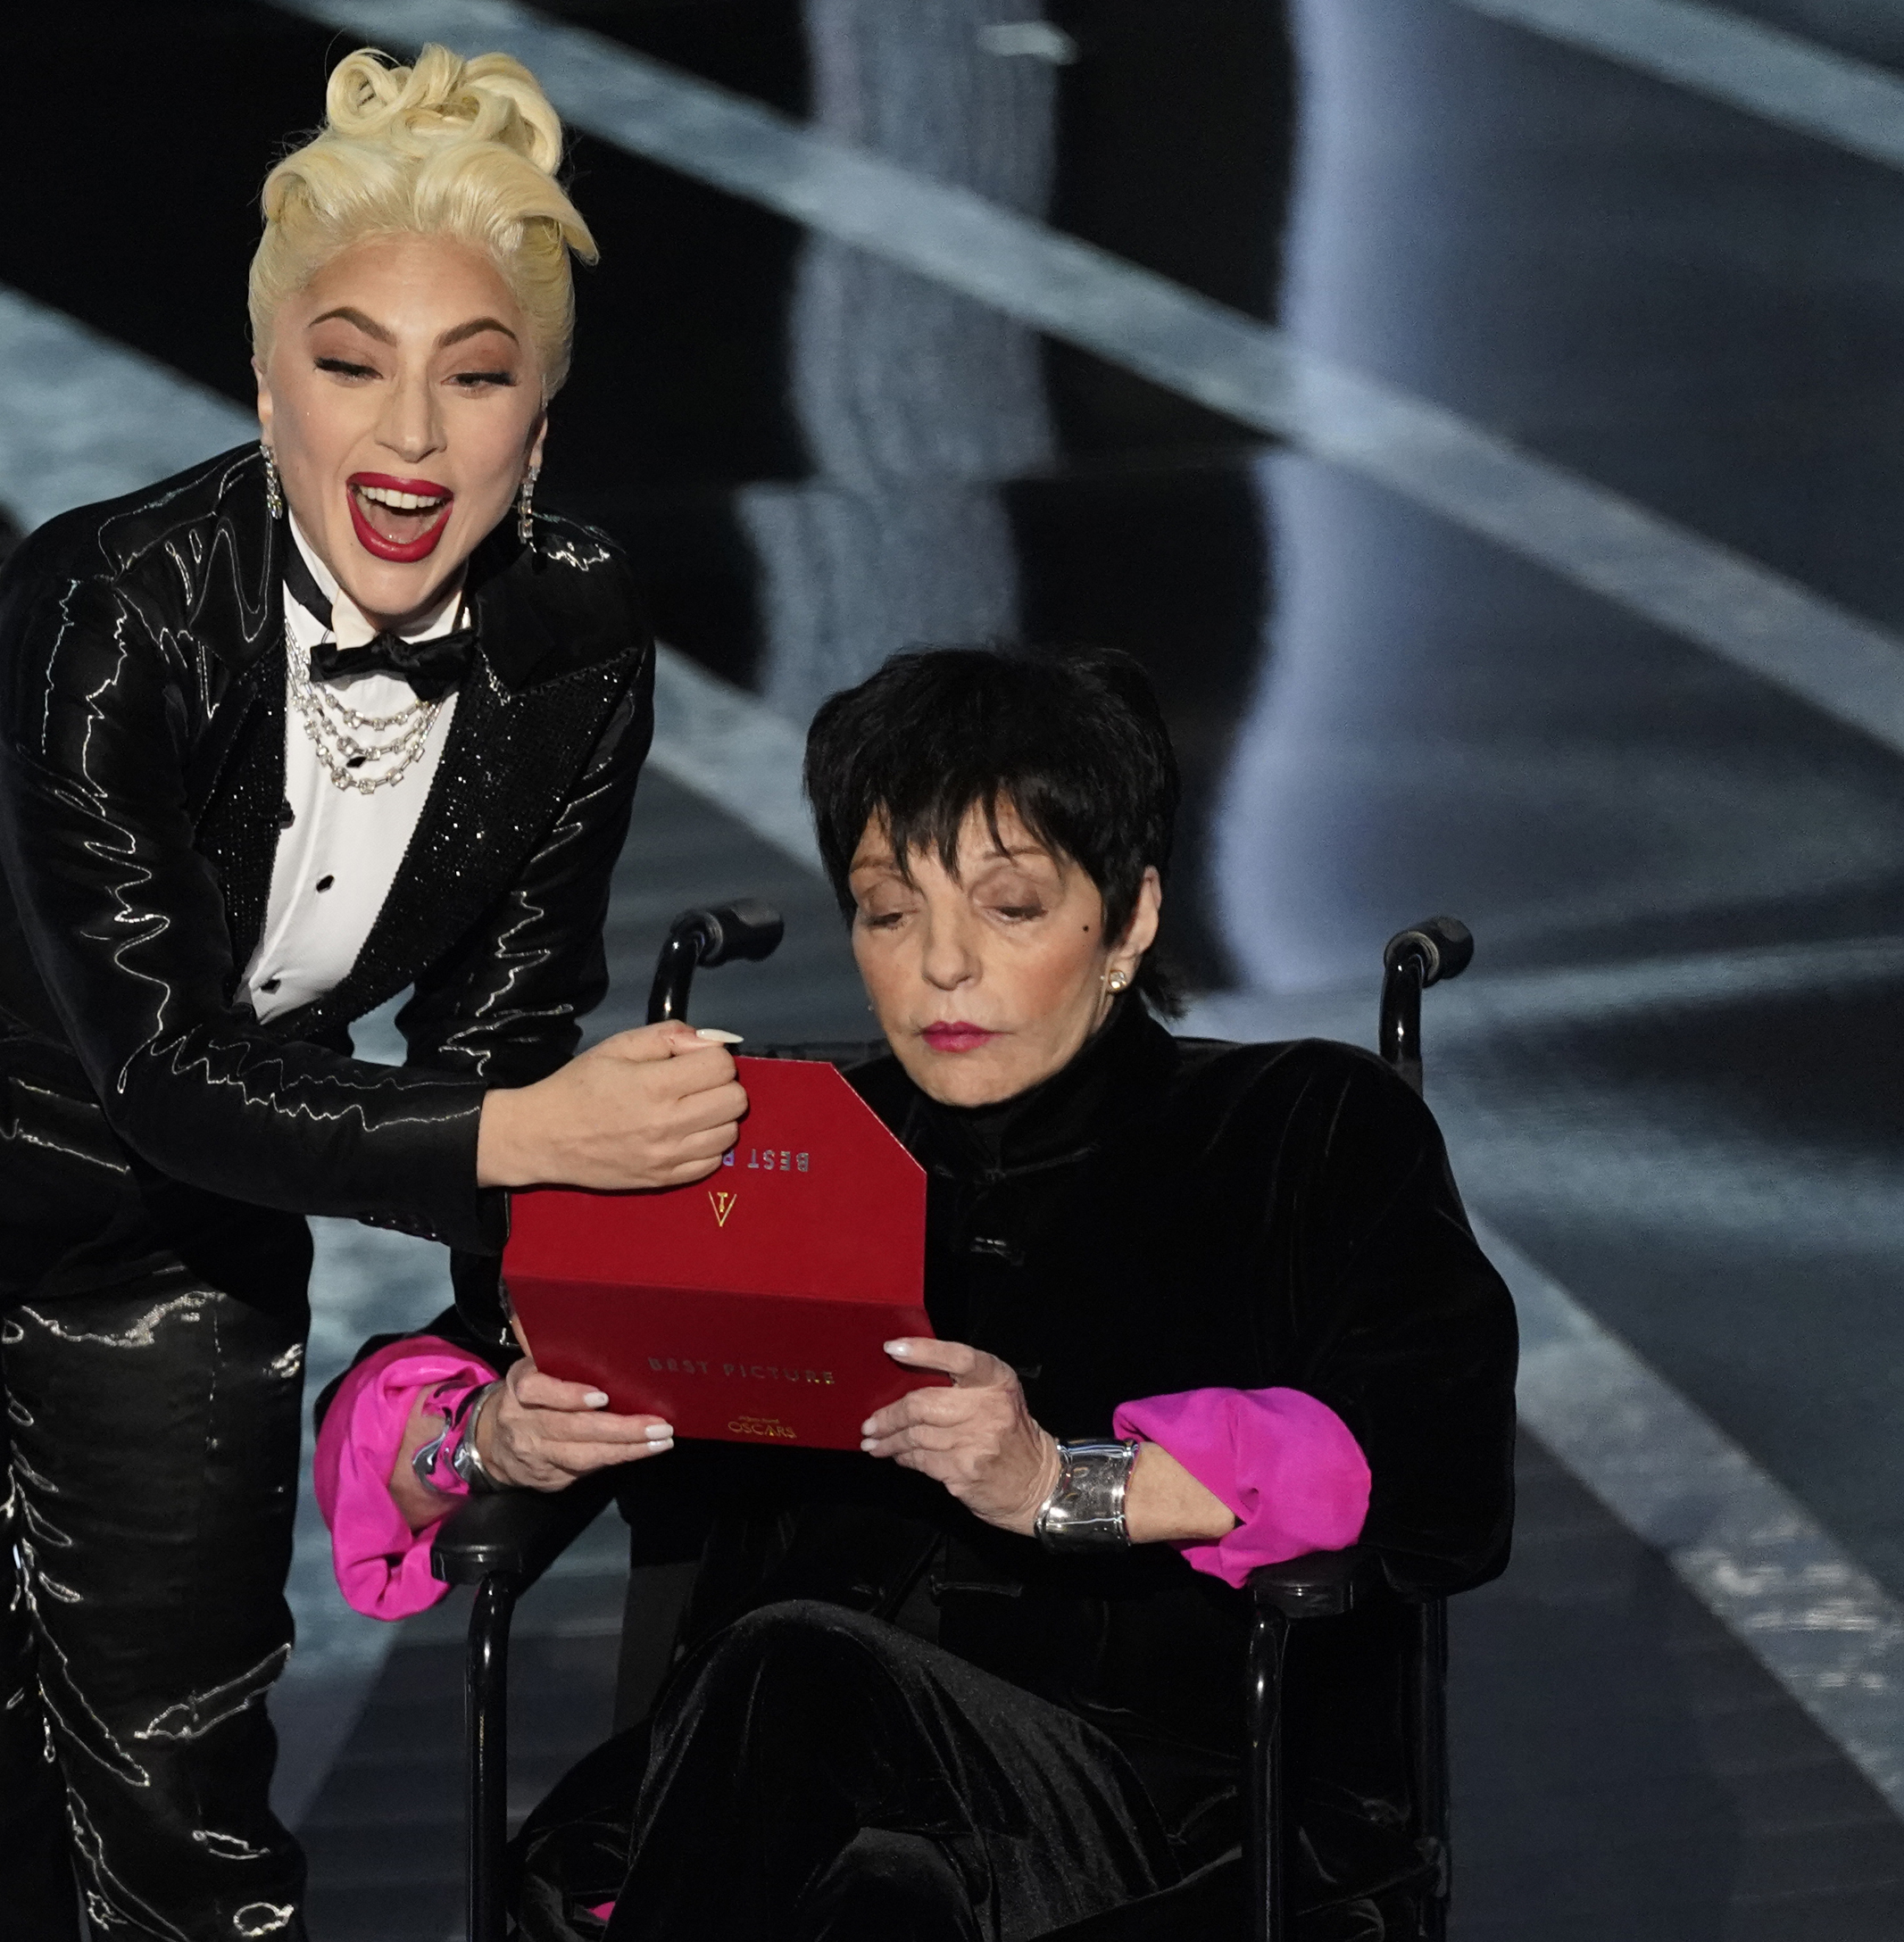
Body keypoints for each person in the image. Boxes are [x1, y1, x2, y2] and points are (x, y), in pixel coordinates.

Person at [0, 46, 749, 1942]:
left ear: (540, 425)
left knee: (188, 1783)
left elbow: (504, 1024)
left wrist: (490, 1377)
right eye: (349, 362)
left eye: (474, 374)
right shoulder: (106, 607)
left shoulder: (578, 637)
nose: (408, 433)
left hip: (175, 1219)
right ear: (263, 390)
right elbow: (167, 1066)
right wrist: (516, 1133)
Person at [313, 646, 1518, 1940]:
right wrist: (487, 1432)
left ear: (1130, 918)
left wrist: (1063, 1483)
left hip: (1156, 1819)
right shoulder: (751, 1147)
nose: (944, 967)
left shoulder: (1302, 1133)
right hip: (773, 1819)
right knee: (884, 1887)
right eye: (892, 913)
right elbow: (411, 1416)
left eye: (1009, 908)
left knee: (805, 1675)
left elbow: (1430, 1458)